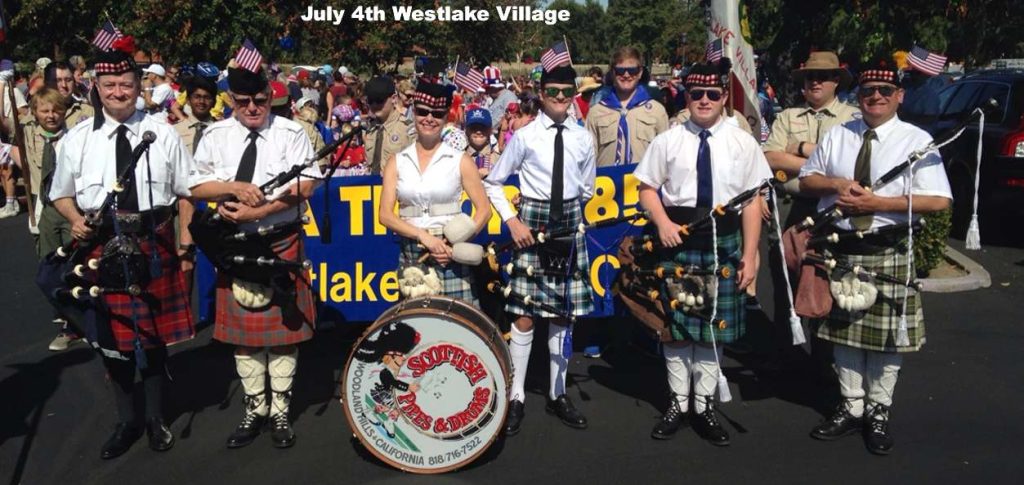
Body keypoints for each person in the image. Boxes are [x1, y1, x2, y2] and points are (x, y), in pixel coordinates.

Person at [48, 38, 196, 459]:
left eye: (126, 84)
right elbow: (60, 194)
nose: (118, 91)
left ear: (138, 86)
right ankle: (125, 421)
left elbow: (186, 191)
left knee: (151, 338)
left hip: (153, 240)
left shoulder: (163, 133)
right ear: (96, 85)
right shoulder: (77, 139)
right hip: (101, 243)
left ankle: (155, 419)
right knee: (111, 339)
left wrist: (185, 244)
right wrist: (75, 219)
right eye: (110, 84)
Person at [799, 63, 951, 455]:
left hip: (888, 246)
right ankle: (851, 406)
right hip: (844, 246)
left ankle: (878, 411)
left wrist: (877, 202)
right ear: (859, 95)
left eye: (886, 89)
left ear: (900, 95)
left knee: (885, 342)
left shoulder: (916, 140)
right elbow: (808, 179)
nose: (876, 96)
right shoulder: (839, 136)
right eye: (869, 90)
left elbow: (938, 200)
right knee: (845, 336)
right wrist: (836, 184)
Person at [633, 63, 770, 446]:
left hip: (722, 242)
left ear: (724, 97)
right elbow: (646, 187)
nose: (705, 101)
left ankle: (704, 405)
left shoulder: (743, 142)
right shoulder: (669, 140)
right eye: (697, 95)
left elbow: (754, 202)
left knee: (712, 329)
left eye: (712, 94)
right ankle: (678, 402)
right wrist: (660, 221)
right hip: (677, 241)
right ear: (687, 97)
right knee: (676, 331)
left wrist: (751, 255)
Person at [189, 60, 319, 450]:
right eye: (243, 100)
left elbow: (307, 186)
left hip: (279, 239)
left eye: (260, 100)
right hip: (234, 246)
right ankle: (254, 409)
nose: (252, 107)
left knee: (283, 336)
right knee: (244, 340)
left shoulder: (291, 133)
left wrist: (258, 211)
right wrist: (233, 188)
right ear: (229, 99)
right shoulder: (215, 135)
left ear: (270, 98)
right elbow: (196, 185)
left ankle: (281, 410)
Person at [483, 65, 596, 435]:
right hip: (530, 223)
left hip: (569, 224)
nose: (560, 98)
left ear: (573, 93)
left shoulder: (583, 138)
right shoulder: (525, 136)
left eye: (567, 92)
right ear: (542, 93)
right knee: (524, 314)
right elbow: (495, 182)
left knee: (564, 314)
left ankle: (557, 393)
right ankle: (516, 396)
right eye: (553, 92)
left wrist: (570, 214)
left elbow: (588, 188)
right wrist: (513, 221)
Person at [379, 79, 491, 303]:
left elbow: (484, 211)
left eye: (437, 114)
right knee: (417, 327)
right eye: (422, 112)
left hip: (450, 252)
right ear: (414, 112)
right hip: (413, 251)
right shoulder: (397, 161)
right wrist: (423, 237)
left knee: (461, 326)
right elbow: (385, 215)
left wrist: (453, 245)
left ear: (445, 118)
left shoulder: (460, 160)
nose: (429, 119)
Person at [14, 88, 80, 350]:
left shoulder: (74, 138)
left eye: (56, 110)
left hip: (73, 206)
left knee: (77, 265)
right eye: (45, 111)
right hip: (45, 209)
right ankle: (68, 317)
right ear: (35, 113)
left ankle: (77, 323)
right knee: (50, 266)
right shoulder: (28, 135)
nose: (51, 116)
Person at [764, 51, 859, 228]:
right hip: (789, 205)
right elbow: (771, 158)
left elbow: (854, 164)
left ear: (836, 80)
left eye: (822, 76)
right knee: (783, 255)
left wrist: (802, 148)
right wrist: (826, 166)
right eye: (810, 76)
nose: (815, 81)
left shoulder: (854, 118)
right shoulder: (787, 116)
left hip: (835, 206)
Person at [588, 48, 669, 167]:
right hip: (606, 183)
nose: (626, 75)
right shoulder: (596, 111)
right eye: (620, 70)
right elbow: (588, 158)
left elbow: (665, 155)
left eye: (632, 70)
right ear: (613, 73)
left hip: (643, 184)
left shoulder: (657, 111)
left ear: (640, 72)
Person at [364, 76, 414, 174]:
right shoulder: (370, 129)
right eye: (370, 101)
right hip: (372, 186)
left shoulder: (407, 128)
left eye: (379, 100)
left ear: (393, 98)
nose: (374, 105)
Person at [43, 61, 94, 128]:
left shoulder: (88, 112)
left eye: (68, 80)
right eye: (58, 80)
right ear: (46, 83)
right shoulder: (36, 115)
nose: (64, 85)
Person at [464, 107, 498, 178]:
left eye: (483, 127)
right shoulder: (459, 158)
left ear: (490, 130)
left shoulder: (499, 158)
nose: (478, 131)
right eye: (474, 127)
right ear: (466, 130)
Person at [484, 66, 518, 131]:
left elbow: (509, 121)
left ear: (494, 87)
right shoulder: (495, 99)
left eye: (487, 88)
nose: (486, 91)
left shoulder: (509, 98)